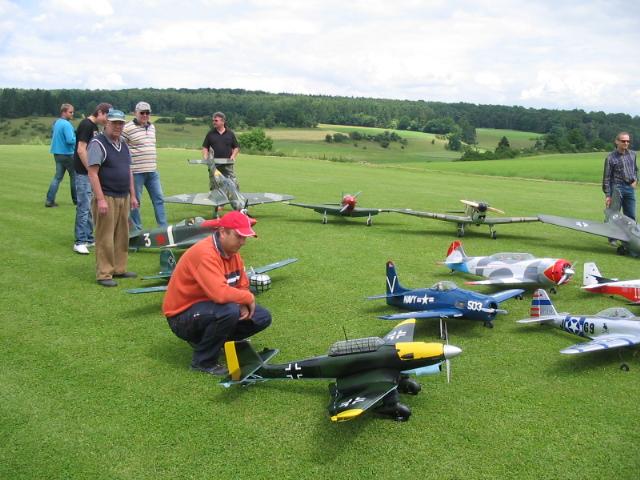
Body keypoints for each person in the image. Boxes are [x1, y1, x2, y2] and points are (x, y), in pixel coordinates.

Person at [163, 211, 271, 376]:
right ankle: (203, 361)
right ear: (222, 232)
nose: (243, 242)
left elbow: (242, 284)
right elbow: (219, 294)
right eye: (239, 236)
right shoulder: (205, 254)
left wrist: (243, 302)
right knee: (228, 311)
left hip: (208, 309)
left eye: (245, 237)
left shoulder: (233, 254)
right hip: (181, 317)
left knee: (262, 316)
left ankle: (218, 342)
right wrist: (247, 298)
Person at [87, 109, 139, 287]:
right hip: (107, 196)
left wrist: (133, 195)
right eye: (114, 122)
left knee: (122, 236)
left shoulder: (123, 144)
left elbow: (128, 170)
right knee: (105, 236)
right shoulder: (97, 143)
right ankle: (104, 273)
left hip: (123, 196)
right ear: (106, 123)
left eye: (121, 123)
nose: (118, 126)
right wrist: (100, 199)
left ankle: (119, 268)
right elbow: (92, 173)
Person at [72, 102, 111, 255]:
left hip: (88, 173)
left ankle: (88, 237)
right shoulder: (86, 125)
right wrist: (90, 169)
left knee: (89, 205)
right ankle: (79, 241)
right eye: (107, 116)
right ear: (100, 112)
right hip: (83, 173)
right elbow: (81, 149)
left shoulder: (94, 127)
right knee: (83, 206)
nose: (107, 120)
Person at [123, 101, 167, 231]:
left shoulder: (152, 127)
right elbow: (120, 147)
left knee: (159, 199)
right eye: (142, 113)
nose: (145, 115)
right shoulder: (127, 128)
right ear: (135, 113)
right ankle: (137, 231)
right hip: (136, 172)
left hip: (152, 171)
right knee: (135, 203)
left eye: (147, 113)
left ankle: (164, 229)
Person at [603, 132, 637, 231]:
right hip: (616, 188)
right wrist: (608, 195)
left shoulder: (633, 154)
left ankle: (630, 238)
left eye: (628, 141)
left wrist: (635, 180)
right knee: (614, 215)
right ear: (617, 141)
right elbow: (607, 178)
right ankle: (612, 238)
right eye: (623, 141)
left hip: (630, 189)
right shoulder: (610, 157)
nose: (626, 143)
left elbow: (635, 169)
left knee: (631, 215)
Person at [46, 104, 77, 207]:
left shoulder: (57, 122)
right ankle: (76, 201)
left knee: (57, 177)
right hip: (68, 154)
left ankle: (49, 200)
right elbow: (70, 140)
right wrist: (79, 139)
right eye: (70, 112)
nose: (72, 114)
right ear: (64, 112)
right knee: (74, 177)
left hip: (57, 153)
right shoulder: (67, 124)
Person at [201, 112, 240, 190]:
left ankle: (235, 200)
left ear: (223, 121)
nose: (213, 122)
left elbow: (236, 147)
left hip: (227, 164)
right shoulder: (210, 133)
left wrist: (233, 156)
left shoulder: (230, 133)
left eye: (216, 121)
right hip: (214, 165)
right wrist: (205, 157)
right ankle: (216, 200)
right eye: (213, 121)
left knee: (233, 184)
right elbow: (205, 147)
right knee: (214, 185)